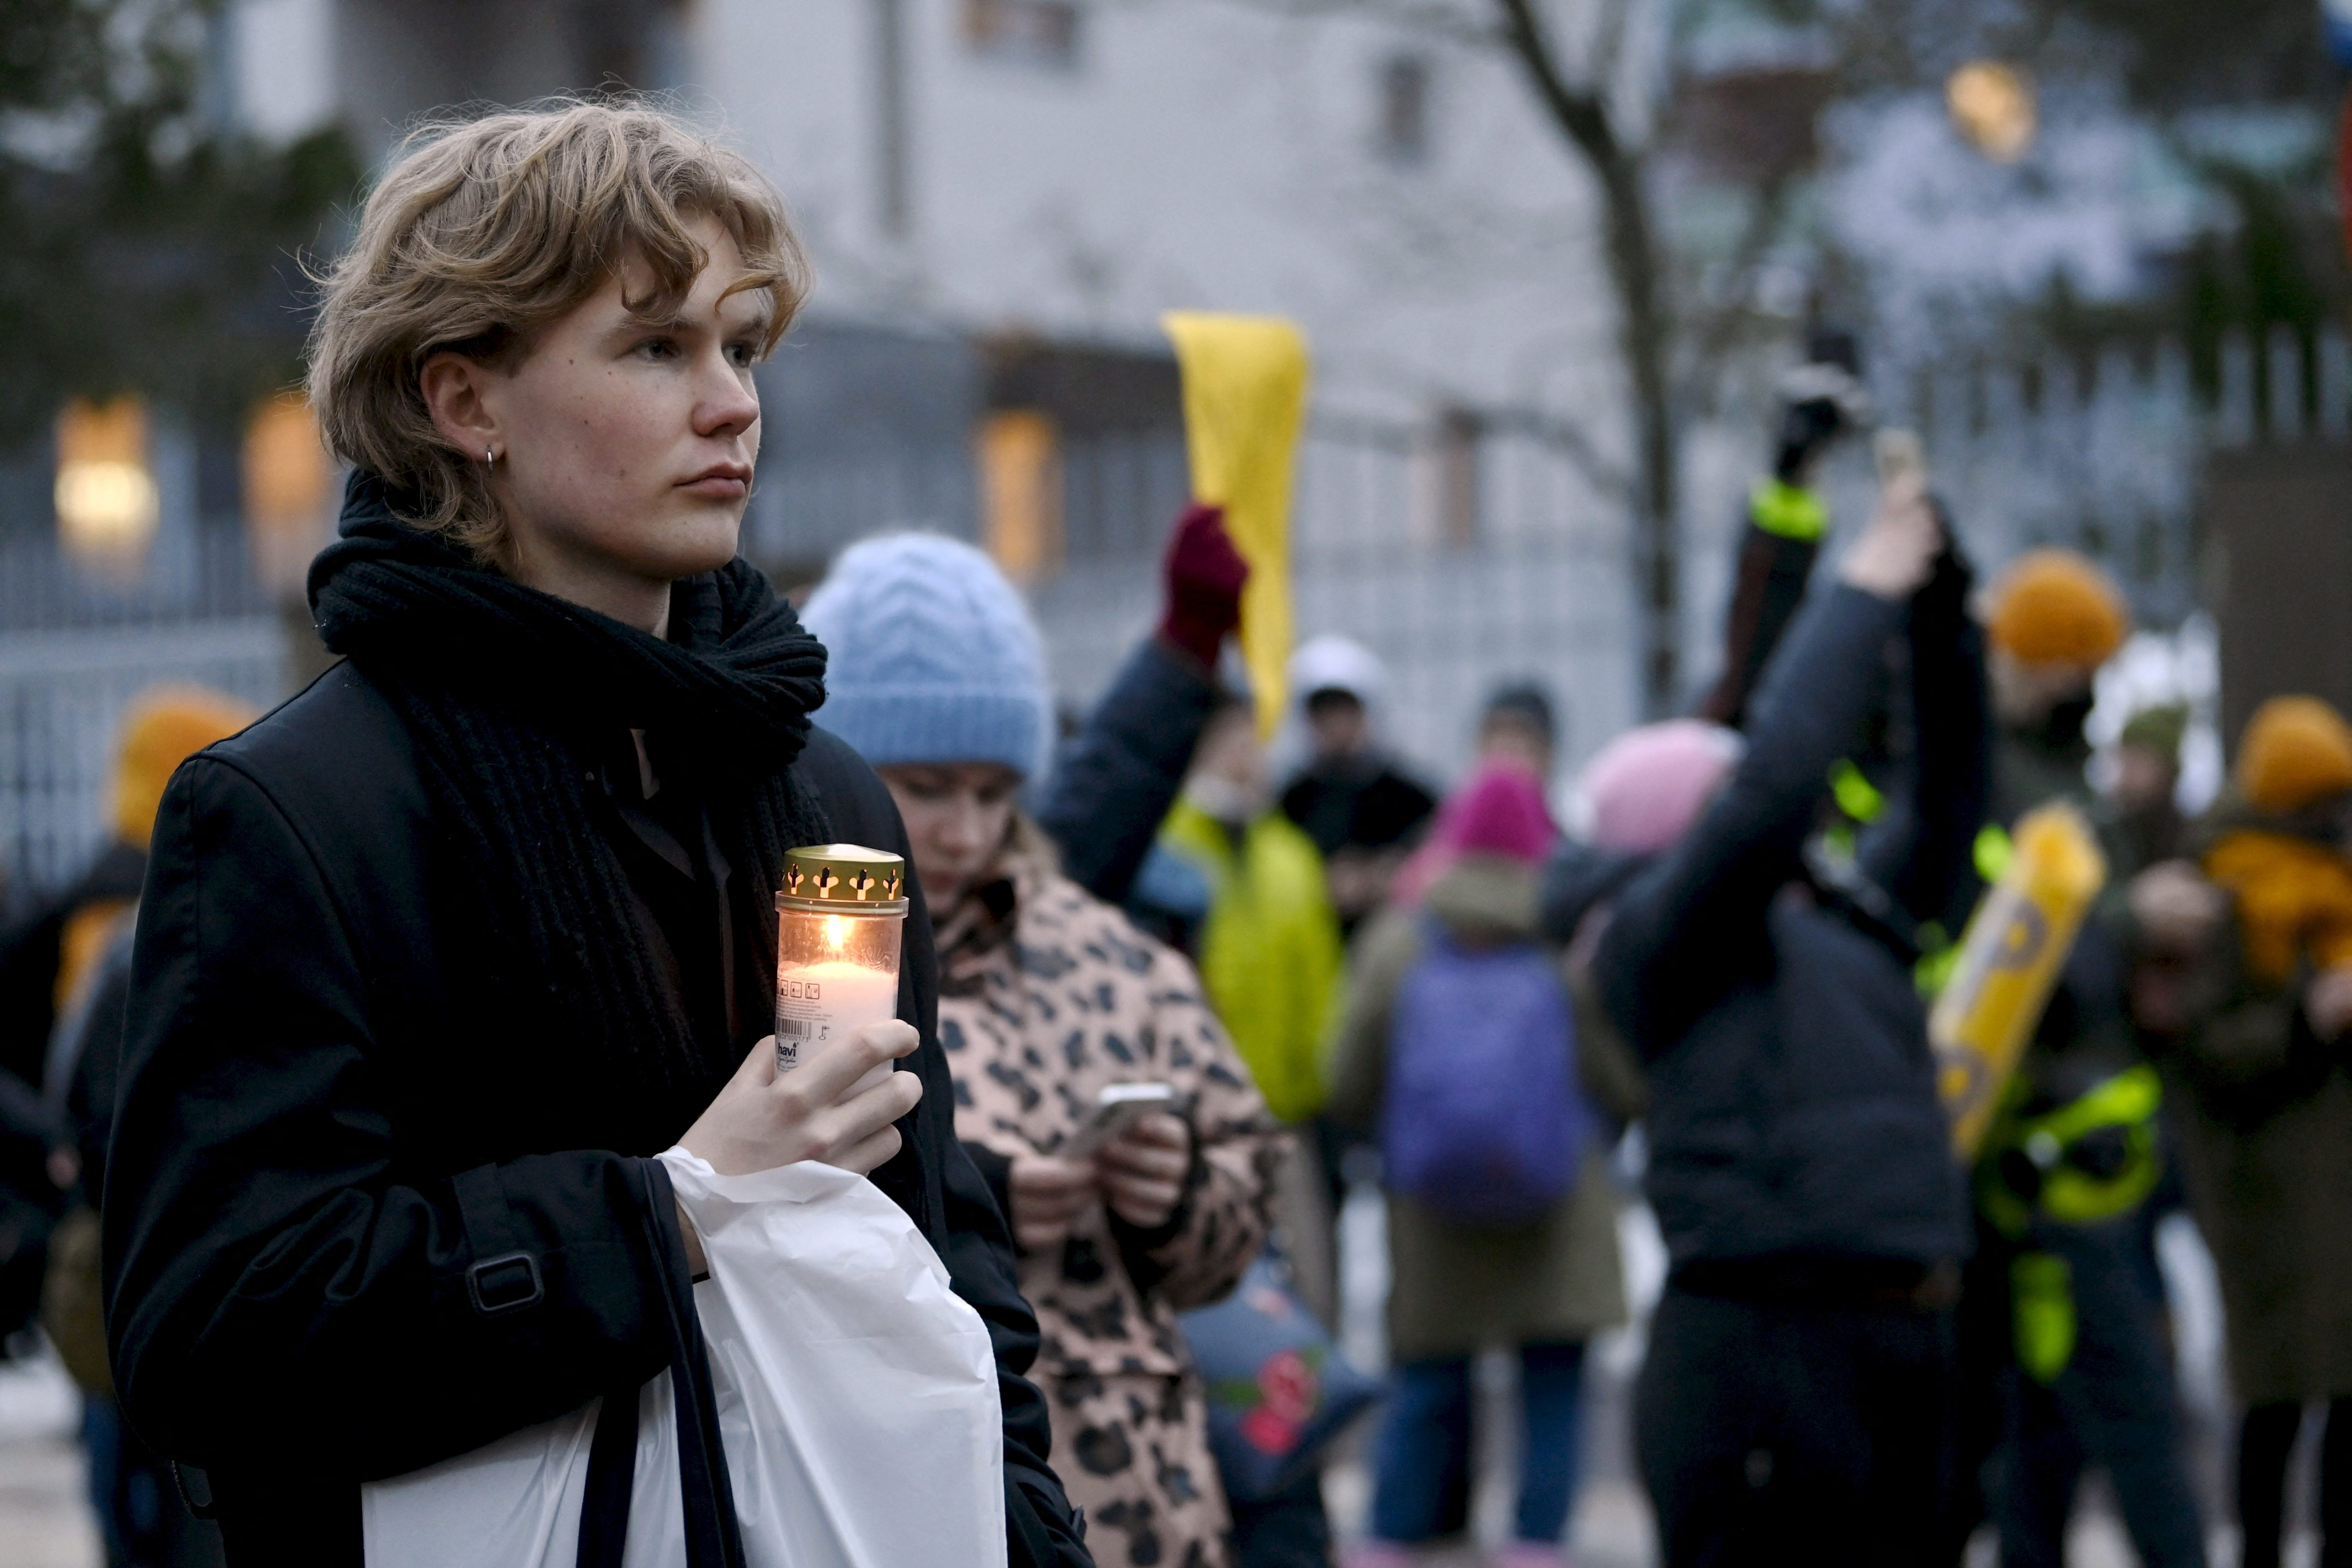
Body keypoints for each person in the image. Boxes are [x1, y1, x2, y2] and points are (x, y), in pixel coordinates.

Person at [100, 104, 1087, 1567]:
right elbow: (217, 1335)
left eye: (741, 346)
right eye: (654, 347)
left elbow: (938, 1265)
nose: (732, 402)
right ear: (466, 403)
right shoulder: (300, 810)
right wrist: (671, 1210)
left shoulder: (827, 796)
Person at [804, 531, 1280, 1568]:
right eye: (928, 788)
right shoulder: (806, 969)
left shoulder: (1109, 954)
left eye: (995, 790)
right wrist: (977, 1195)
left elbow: (1247, 1204)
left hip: (1146, 1509)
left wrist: (1178, 1192)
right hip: (923, 1503)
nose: (968, 830)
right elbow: (771, 1221)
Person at [1596, 476, 1984, 1567]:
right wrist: (1861, 584)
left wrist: (1942, 606)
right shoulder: (1658, 940)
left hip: (1904, 1329)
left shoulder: (1848, 925)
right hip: (1758, 1348)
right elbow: (1772, 788)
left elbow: (1951, 798)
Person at [1959, 549, 2205, 1568]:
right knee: (2124, 1421)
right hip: (2049, 1162)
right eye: (2075, 660)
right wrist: (2125, 918)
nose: (2089, 683)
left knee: (2049, 1426)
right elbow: (2014, 936)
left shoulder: (2059, 773)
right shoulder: (2000, 777)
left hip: (2091, 1152)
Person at [1328, 766, 1635, 1568]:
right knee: (1555, 1377)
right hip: (1557, 1200)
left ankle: (1392, 1533)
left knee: (1427, 1377)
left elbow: (1346, 1075)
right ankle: (1536, 1540)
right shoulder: (1566, 938)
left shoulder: (1401, 936)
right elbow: (1621, 1078)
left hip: (1431, 1202)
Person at [2154, 696, 2352, 1568]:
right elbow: (2209, 1046)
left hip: (2336, 1180)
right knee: (2272, 1396)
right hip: (2265, 1182)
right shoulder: (2222, 888)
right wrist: (2310, 1018)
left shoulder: (2336, 878)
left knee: (2346, 1387)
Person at [1278, 635, 1436, 938]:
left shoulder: (1412, 797)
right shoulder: (1290, 800)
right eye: (1323, 712)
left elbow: (1436, 857)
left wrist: (1380, 877)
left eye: (1344, 710)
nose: (1335, 724)